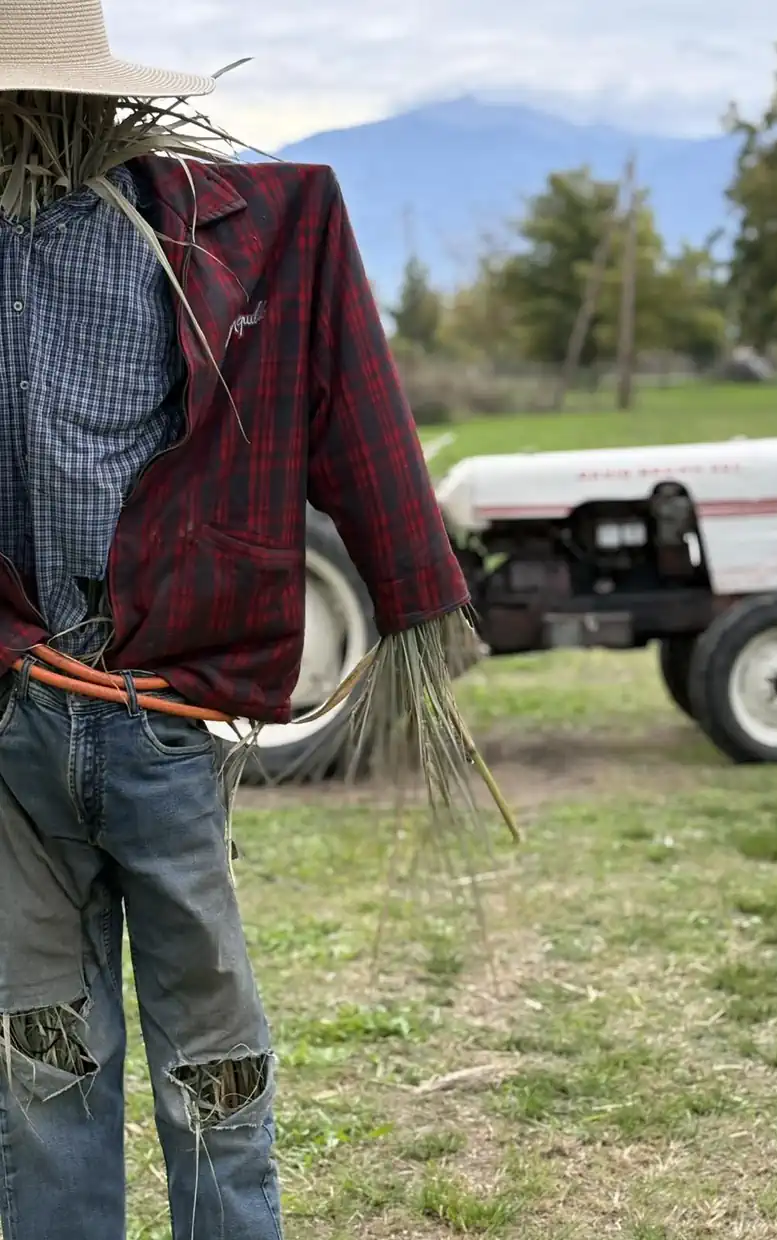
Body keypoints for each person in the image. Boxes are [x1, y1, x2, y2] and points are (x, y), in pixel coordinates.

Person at [0, 3, 478, 1237]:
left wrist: (415, 593)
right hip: (16, 726)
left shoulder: (227, 236)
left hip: (158, 718)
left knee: (211, 1055)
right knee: (48, 1054)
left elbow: (349, 397)